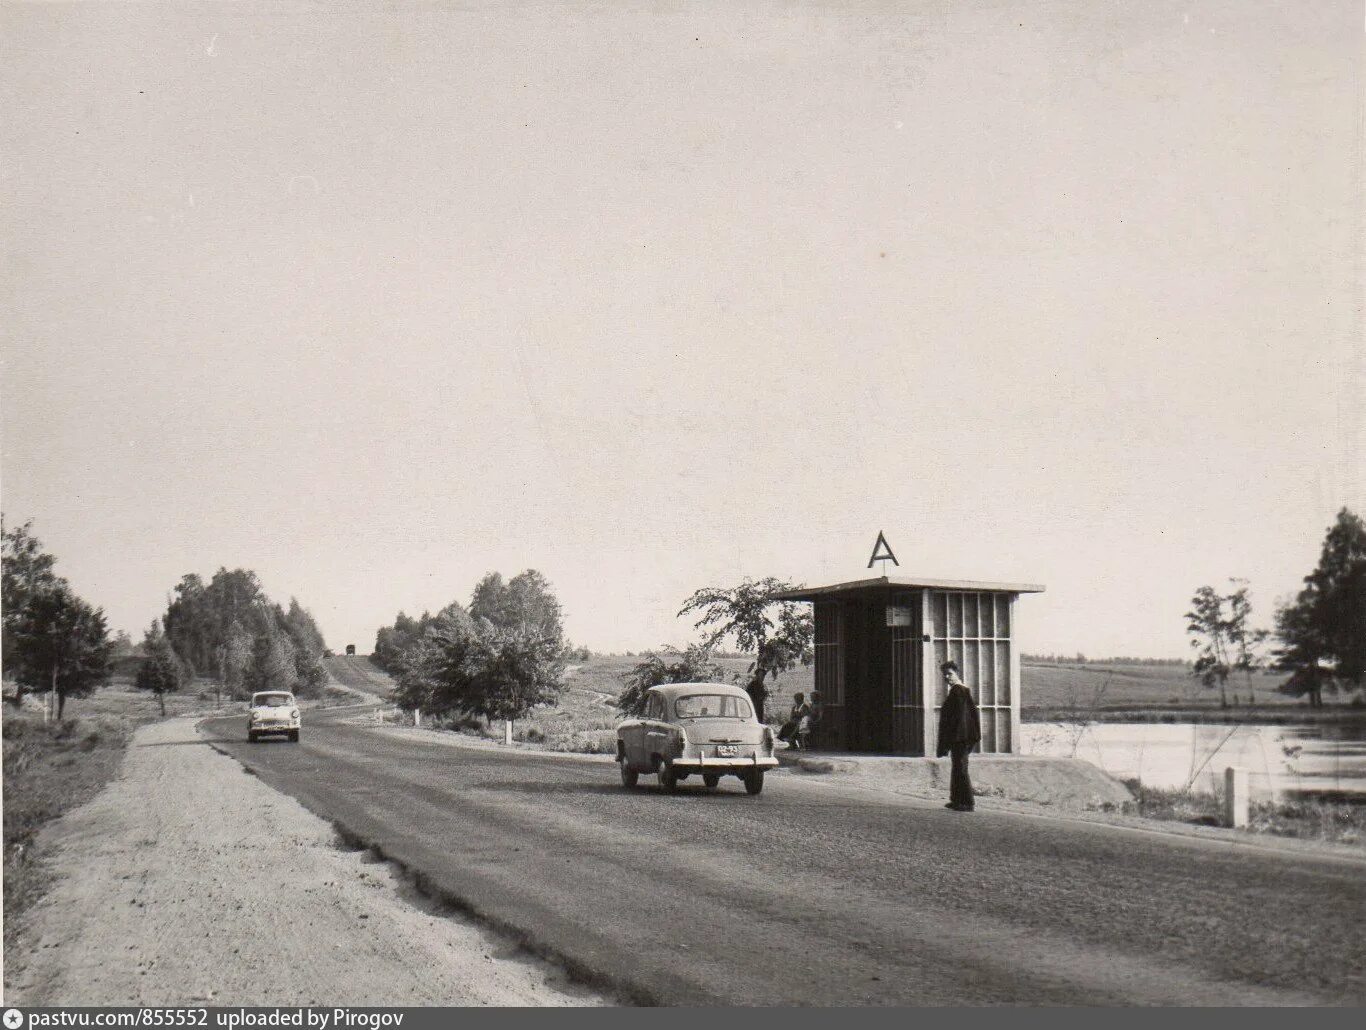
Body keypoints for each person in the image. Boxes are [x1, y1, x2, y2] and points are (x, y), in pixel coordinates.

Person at [935, 660, 981, 812]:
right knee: (958, 766)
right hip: (964, 736)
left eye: (950, 674)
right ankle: (957, 799)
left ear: (957, 674)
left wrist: (953, 737)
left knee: (960, 767)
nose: (947, 677)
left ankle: (967, 802)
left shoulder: (958, 691)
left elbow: (959, 717)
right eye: (945, 675)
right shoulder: (961, 690)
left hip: (960, 736)